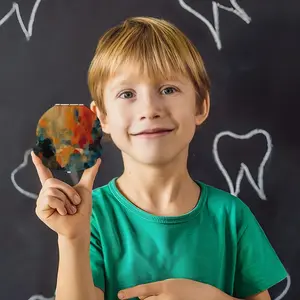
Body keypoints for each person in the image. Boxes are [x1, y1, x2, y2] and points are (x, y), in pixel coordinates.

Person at [31, 16, 287, 300]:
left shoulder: (231, 217)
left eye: (168, 89)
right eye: (127, 93)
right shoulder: (91, 217)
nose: (150, 109)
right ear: (102, 117)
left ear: (200, 105)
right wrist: (72, 239)